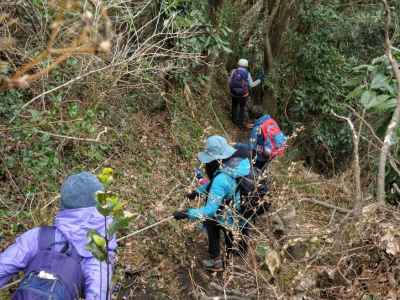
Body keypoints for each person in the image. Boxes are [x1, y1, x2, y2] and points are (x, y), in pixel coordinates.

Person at [0, 171, 117, 300]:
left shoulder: (36, 236)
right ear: (100, 207)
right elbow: (98, 294)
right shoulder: (97, 253)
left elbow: (3, 266)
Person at [173, 135, 251, 271]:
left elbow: (209, 210)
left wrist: (187, 213)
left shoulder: (221, 177)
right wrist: (197, 192)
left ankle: (219, 263)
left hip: (230, 216)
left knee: (210, 220)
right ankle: (229, 262)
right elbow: (218, 186)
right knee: (228, 238)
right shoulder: (234, 165)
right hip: (240, 210)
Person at [228, 58, 265, 129]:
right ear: (246, 66)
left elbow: (229, 81)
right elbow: (251, 85)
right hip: (243, 95)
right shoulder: (247, 74)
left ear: (238, 64)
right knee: (242, 108)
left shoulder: (233, 71)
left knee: (234, 106)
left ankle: (233, 120)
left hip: (233, 93)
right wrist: (260, 79)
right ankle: (240, 124)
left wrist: (232, 89)